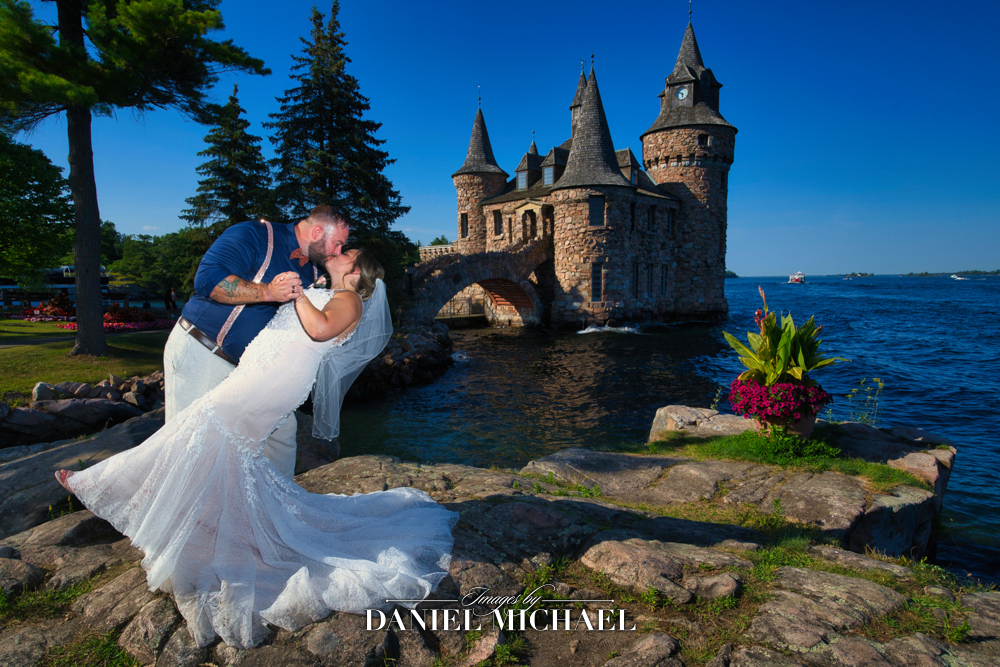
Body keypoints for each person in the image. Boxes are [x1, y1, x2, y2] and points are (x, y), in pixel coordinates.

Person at [54, 249, 457, 649]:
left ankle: (107, 482)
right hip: (262, 370)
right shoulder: (328, 290)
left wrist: (298, 294)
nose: (337, 251)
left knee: (202, 424)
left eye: (345, 252)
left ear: (355, 269)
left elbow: (319, 330)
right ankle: (209, 525)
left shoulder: (349, 299)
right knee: (221, 443)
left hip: (277, 379)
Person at [164, 205, 350, 479]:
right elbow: (208, 281)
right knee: (190, 450)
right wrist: (268, 291)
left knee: (281, 436)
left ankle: (276, 502)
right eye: (338, 243)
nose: (338, 252)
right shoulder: (253, 234)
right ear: (317, 232)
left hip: (250, 371)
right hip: (204, 351)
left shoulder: (313, 271)